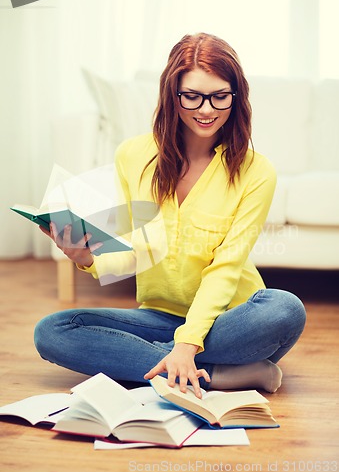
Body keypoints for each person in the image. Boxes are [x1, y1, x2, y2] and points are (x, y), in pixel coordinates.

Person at [34, 33, 306, 399]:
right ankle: (219, 374)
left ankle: (172, 364)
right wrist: (88, 259)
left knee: (284, 309)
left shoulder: (256, 172)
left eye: (219, 96)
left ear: (236, 96)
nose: (206, 109)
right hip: (159, 318)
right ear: (171, 94)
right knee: (53, 330)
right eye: (192, 96)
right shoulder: (133, 155)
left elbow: (226, 266)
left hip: (230, 321)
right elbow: (137, 248)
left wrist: (189, 343)